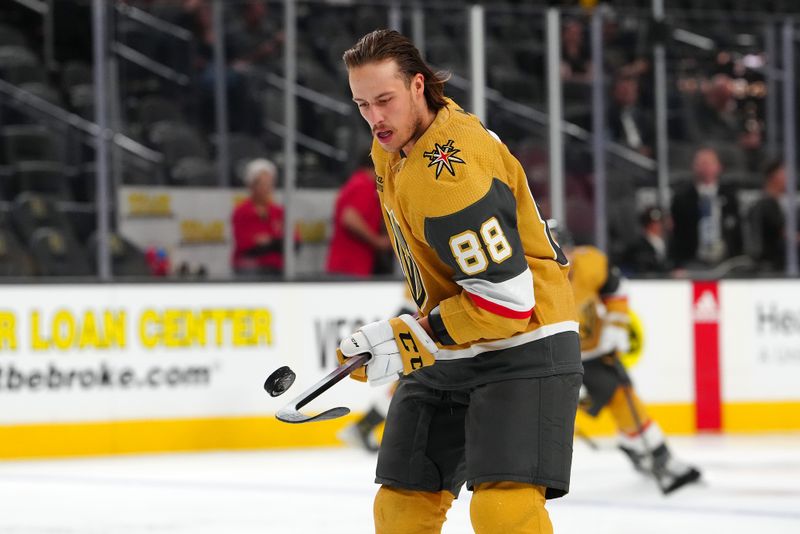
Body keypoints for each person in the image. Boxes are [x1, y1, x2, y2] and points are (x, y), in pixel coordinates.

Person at [338, 29, 583, 534]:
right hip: (458, 344)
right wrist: (410, 333)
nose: (375, 117)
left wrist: (412, 337)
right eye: (362, 104)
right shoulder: (393, 144)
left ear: (418, 86)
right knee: (400, 512)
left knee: (503, 514)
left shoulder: (452, 170)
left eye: (384, 100)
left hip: (526, 343)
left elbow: (507, 302)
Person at [549, 220, 702, 495]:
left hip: (592, 352)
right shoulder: (532, 280)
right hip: (552, 358)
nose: (562, 259)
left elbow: (616, 290)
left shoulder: (592, 263)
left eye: (565, 251)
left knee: (623, 397)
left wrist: (616, 326)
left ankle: (655, 455)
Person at [670, 147, 742, 269]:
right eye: (702, 163)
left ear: (719, 167)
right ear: (694, 167)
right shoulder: (682, 198)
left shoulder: (730, 196)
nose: (706, 168)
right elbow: (677, 235)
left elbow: (737, 232)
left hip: (726, 261)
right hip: (692, 261)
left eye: (710, 163)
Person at [326, 153, 393, 277]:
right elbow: (349, 218)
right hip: (350, 268)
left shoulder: (357, 182)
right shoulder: (364, 185)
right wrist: (378, 242)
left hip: (348, 267)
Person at [231, 158, 286, 277]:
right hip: (249, 267)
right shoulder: (242, 211)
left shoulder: (279, 211)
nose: (267, 188)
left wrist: (269, 242)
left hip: (276, 267)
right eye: (263, 184)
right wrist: (275, 242)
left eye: (270, 183)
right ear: (252, 186)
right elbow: (246, 245)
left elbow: (293, 242)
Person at [747, 160, 793, 272]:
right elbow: (785, 235)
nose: (787, 178)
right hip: (770, 266)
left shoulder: (773, 203)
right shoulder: (766, 205)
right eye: (783, 174)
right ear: (774, 177)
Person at [621, 206, 673, 276]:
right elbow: (645, 268)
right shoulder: (638, 247)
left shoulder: (666, 243)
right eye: (655, 223)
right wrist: (669, 272)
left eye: (660, 222)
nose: (659, 226)